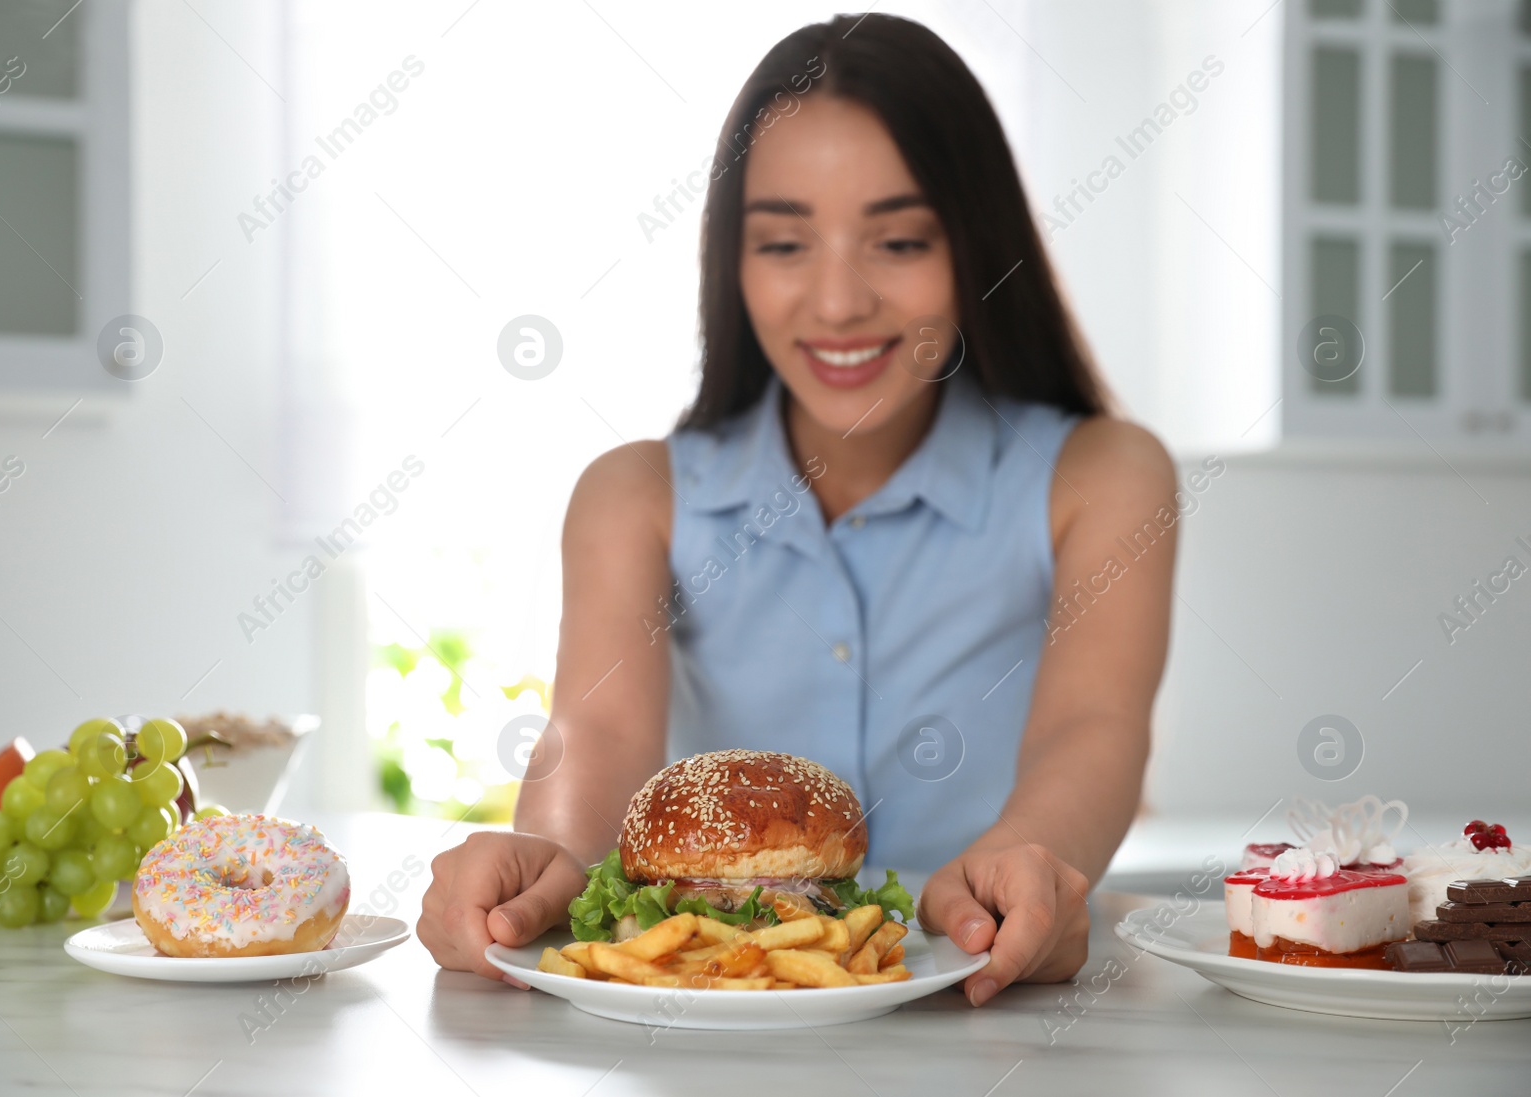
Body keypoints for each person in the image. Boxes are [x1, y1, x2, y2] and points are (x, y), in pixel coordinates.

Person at [419, 13, 1176, 1008]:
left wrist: (1023, 861)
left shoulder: (1103, 473)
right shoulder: (633, 494)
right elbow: (594, 735)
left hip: (990, 1002)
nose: (835, 300)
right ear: (731, 265)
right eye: (782, 242)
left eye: (898, 240)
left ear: (974, 244)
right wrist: (544, 860)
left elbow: (1091, 724)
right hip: (714, 1030)